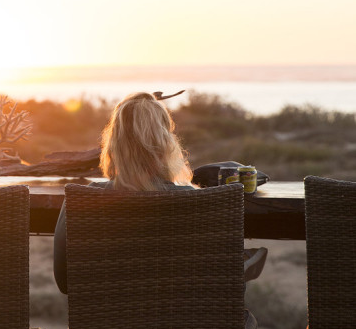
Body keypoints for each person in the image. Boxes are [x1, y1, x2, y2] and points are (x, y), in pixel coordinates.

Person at [53, 91, 267, 293]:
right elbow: (219, 282)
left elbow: (64, 282)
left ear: (114, 145)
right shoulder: (196, 201)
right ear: (167, 144)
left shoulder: (84, 200)